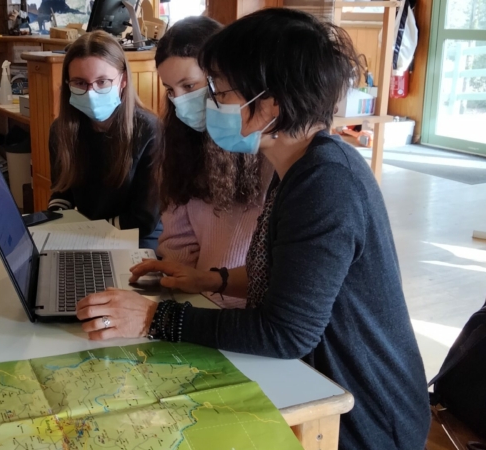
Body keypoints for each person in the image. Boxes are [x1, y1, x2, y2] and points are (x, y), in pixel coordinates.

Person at [76, 9, 430, 449]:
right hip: (322, 381)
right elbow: (295, 278)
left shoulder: (324, 183)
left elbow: (286, 333)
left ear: (270, 105)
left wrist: (154, 317)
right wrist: (214, 279)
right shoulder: (304, 165)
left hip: (364, 419)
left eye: (220, 92)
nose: (210, 105)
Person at [154, 16, 273, 309]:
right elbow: (177, 242)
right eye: (170, 90)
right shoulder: (180, 142)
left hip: (253, 312)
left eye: (189, 85)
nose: (179, 101)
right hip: (201, 302)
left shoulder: (264, 144)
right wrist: (178, 293)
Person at [48, 31, 162, 249]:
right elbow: (61, 192)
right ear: (67, 84)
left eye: (102, 82)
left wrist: (85, 232)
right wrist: (54, 226)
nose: (91, 92)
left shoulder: (149, 130)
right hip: (88, 235)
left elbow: (144, 219)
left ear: (123, 81)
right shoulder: (61, 130)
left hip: (137, 239)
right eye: (80, 83)